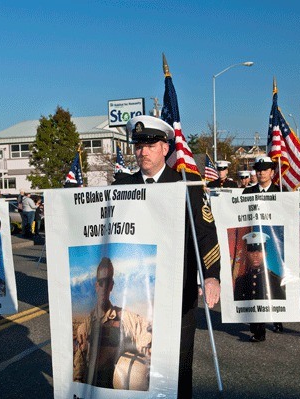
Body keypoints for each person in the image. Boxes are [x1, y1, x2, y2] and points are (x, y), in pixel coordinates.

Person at [112, 115, 221, 397]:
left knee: (178, 365)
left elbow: (206, 233)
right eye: (138, 145)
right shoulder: (121, 188)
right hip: (136, 295)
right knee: (136, 366)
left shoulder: (187, 185)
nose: (143, 151)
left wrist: (211, 277)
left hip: (178, 292)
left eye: (150, 144)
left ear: (165, 148)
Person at [73, 257, 152, 390]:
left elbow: (145, 331)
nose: (104, 287)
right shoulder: (86, 325)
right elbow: (79, 366)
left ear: (112, 285)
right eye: (101, 282)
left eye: (107, 282)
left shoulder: (125, 318)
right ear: (96, 285)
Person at [242, 156, 284, 341]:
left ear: (272, 173)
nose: (260, 172)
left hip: (273, 242)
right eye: (258, 169)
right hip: (254, 241)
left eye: (265, 169)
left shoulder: (282, 192)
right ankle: (258, 330)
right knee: (257, 285)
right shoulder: (247, 192)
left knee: (273, 282)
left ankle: (277, 318)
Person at [233, 231, 286, 301]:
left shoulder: (277, 281)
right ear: (247, 254)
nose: (255, 254)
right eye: (251, 251)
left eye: (260, 250)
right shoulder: (240, 281)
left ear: (265, 254)